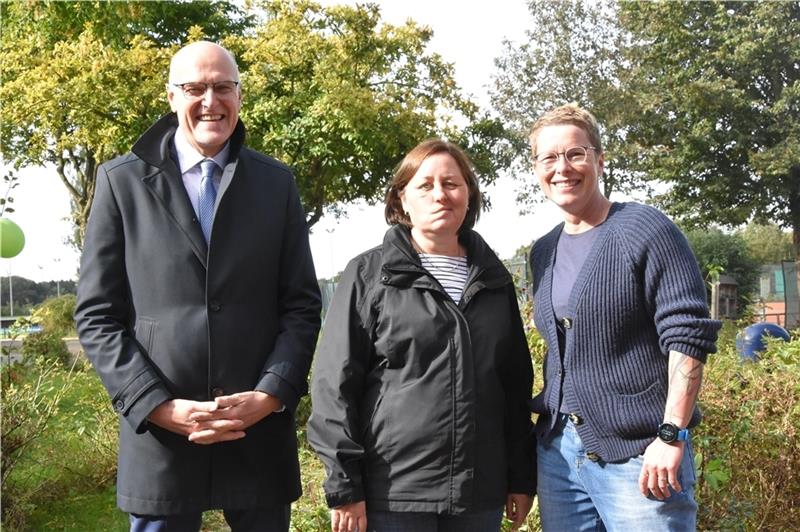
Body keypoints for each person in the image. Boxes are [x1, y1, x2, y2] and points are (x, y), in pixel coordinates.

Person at [75, 41, 321, 532]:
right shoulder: (121, 183)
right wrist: (156, 406)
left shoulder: (276, 184)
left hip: (256, 435)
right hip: (163, 440)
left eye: (223, 87)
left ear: (240, 95)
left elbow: (301, 306)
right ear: (171, 97)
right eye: (195, 88)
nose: (211, 100)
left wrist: (270, 395)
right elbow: (97, 316)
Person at [307, 139, 536, 532]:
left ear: (469, 195)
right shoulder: (368, 275)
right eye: (424, 185)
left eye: (452, 183)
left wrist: (520, 477)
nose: (440, 195)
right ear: (402, 199)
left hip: (478, 494)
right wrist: (345, 484)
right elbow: (334, 384)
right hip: (394, 494)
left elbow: (514, 387)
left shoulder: (493, 280)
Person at [527, 103, 721, 531]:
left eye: (576, 153)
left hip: (641, 456)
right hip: (560, 458)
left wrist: (671, 434)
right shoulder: (542, 252)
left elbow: (686, 336)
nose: (563, 167)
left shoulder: (645, 229)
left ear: (599, 159)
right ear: (536, 169)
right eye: (549, 158)